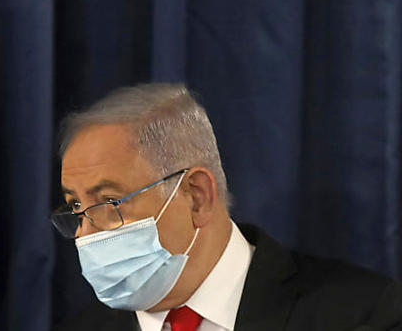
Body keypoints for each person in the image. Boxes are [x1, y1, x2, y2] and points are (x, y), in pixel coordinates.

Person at [51, 84, 402, 331]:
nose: (85, 232)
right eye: (76, 206)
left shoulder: (364, 314)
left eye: (109, 202)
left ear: (197, 196)